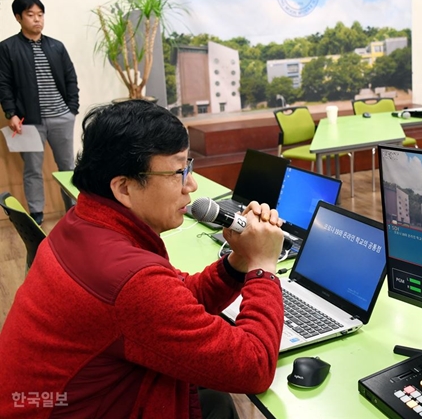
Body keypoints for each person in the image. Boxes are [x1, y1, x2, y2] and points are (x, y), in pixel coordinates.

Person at [0, 100, 285, 419]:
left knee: (213, 399)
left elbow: (177, 301)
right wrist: (263, 267)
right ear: (124, 187)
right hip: (62, 408)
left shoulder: (81, 222)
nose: (191, 185)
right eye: (179, 172)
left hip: (40, 401)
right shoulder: (128, 279)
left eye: (188, 166)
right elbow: (254, 368)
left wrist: (238, 262)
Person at [0, 0, 80, 225]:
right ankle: (37, 214)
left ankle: (73, 211)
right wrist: (11, 114)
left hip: (61, 118)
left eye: (40, 14)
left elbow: (70, 78)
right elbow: (3, 84)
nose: (37, 19)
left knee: (67, 167)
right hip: (28, 121)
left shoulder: (56, 46)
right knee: (32, 169)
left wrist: (71, 109)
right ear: (18, 17)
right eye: (30, 15)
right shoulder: (7, 48)